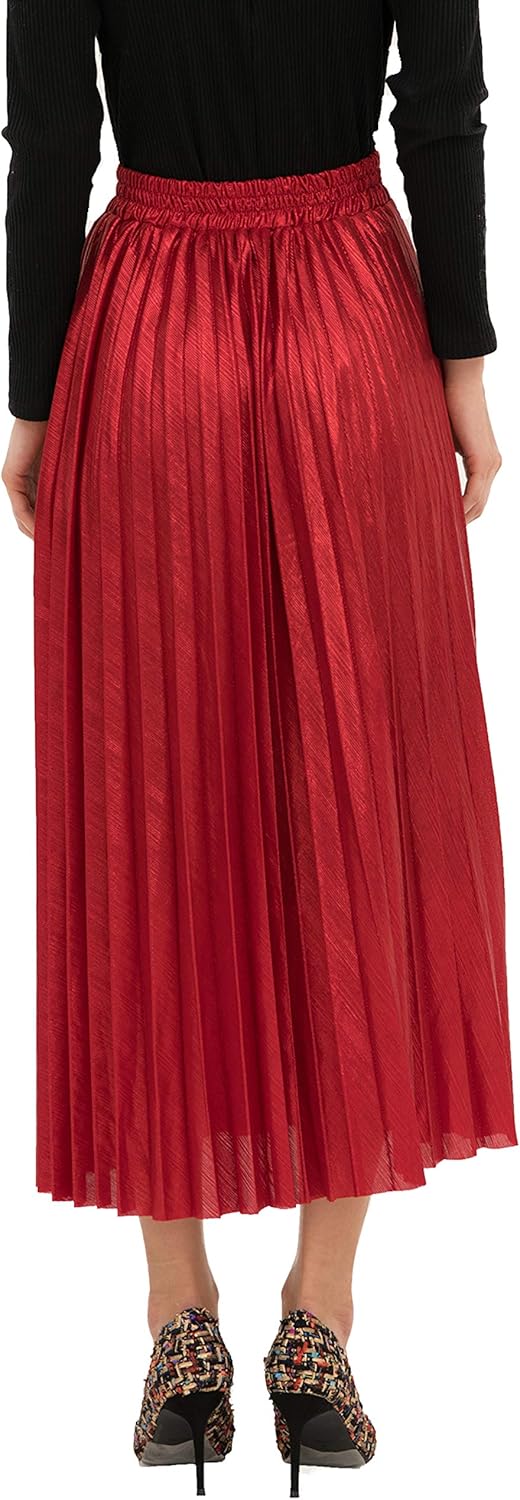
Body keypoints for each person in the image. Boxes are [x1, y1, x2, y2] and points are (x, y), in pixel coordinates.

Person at [1, 3, 517, 1494]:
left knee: (150, 807)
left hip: (146, 343)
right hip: (354, 324)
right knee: (361, 803)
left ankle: (178, 1318)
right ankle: (321, 1318)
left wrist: (35, 395)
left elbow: (51, 135)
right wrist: (462, 363)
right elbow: (446, 102)